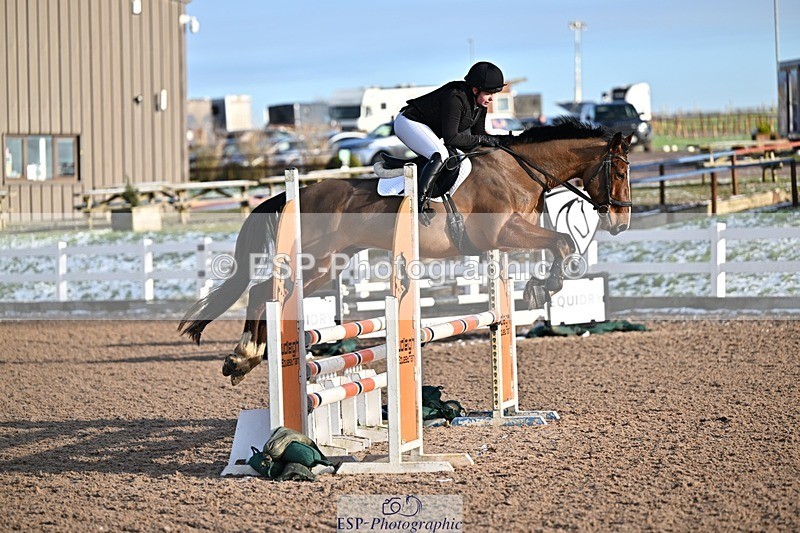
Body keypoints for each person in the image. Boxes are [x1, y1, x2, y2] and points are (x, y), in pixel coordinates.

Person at [394, 61, 506, 215]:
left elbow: (479, 135)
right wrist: (482, 140)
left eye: (493, 93)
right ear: (475, 90)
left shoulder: (480, 105)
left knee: (463, 163)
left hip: (427, 128)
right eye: (488, 93)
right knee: (440, 154)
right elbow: (451, 138)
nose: (492, 98)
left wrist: (503, 142)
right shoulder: (455, 97)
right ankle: (417, 205)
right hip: (408, 122)